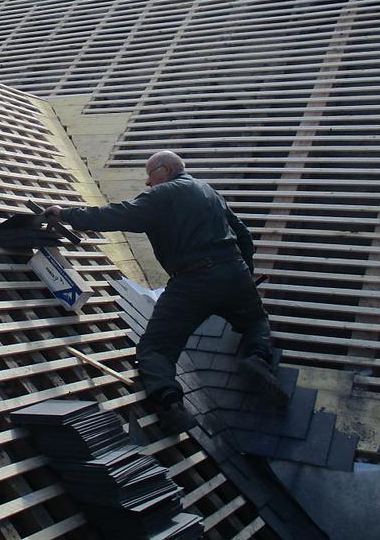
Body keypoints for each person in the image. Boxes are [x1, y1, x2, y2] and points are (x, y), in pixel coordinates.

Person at [45, 150, 288, 434]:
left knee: (157, 348)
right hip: (233, 271)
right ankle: (257, 357)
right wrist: (244, 274)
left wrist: (66, 214)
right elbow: (244, 236)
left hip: (191, 281)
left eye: (150, 175)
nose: (148, 183)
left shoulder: (162, 195)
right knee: (256, 320)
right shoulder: (209, 191)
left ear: (165, 170)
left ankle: (170, 403)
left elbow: (118, 215)